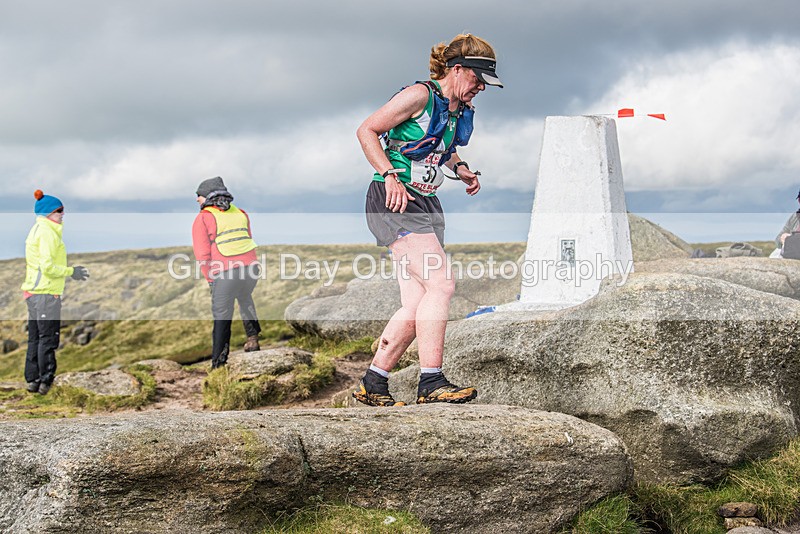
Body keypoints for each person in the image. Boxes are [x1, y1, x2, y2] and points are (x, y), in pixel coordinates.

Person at [353, 33, 503, 406]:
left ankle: (373, 381)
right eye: (478, 79)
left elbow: (440, 148)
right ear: (457, 69)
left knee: (418, 299)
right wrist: (389, 174)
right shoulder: (420, 96)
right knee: (442, 283)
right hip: (395, 200)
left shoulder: (454, 109)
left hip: (427, 202)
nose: (482, 88)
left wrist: (462, 168)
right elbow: (367, 130)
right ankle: (431, 381)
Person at [21, 190, 89, 395]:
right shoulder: (48, 233)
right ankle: (45, 382)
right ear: (48, 213)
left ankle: (32, 380)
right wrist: (72, 272)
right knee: (48, 339)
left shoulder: (37, 230)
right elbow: (48, 267)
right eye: (59, 211)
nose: (62, 214)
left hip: (34, 293)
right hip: (46, 293)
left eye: (62, 211)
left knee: (35, 338)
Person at [192, 177, 262, 369]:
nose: (197, 199)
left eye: (199, 195)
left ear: (207, 196)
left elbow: (203, 254)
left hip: (226, 272)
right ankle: (253, 338)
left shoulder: (204, 218)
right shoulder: (241, 212)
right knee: (245, 297)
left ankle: (218, 363)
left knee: (222, 314)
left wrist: (210, 278)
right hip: (251, 268)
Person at [773, 188, 800, 258]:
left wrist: (793, 239)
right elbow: (777, 240)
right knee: (775, 253)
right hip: (792, 254)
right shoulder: (794, 217)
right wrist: (783, 239)